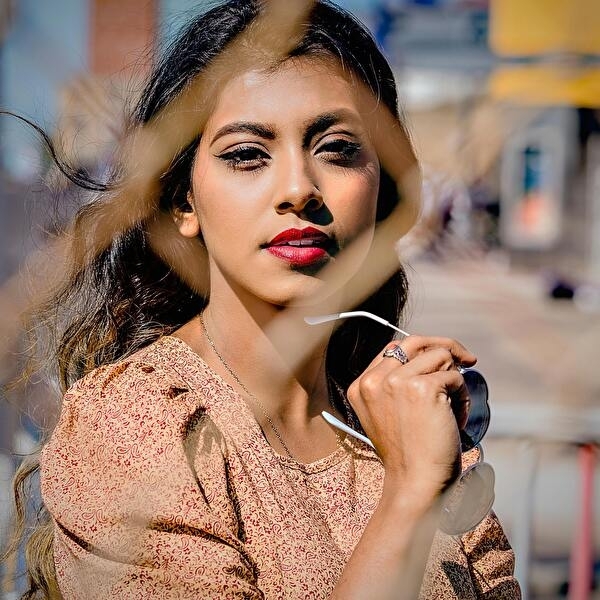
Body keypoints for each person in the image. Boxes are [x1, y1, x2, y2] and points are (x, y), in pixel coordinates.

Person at [9, 1, 520, 598]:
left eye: (337, 148)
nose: (299, 189)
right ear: (182, 204)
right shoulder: (138, 424)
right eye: (247, 154)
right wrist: (408, 496)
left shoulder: (400, 415)